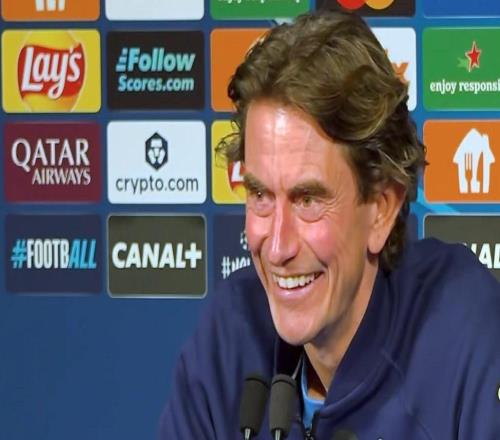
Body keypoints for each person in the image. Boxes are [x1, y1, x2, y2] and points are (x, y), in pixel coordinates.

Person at [159, 10, 500, 439]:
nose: (277, 247)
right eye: (261, 195)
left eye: (307, 200)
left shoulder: (467, 337)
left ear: (381, 208)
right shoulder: (231, 334)